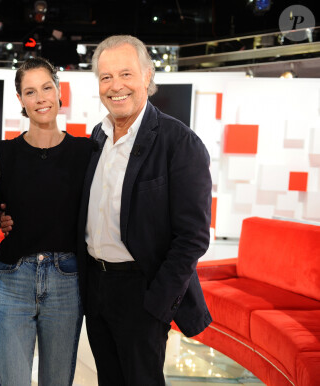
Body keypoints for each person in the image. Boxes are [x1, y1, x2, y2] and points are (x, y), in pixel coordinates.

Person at [77, 35, 213, 385]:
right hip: (97, 286)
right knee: (109, 379)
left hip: (142, 292)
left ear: (147, 76)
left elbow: (193, 237)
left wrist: (158, 306)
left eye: (125, 74)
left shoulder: (179, 142)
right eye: (106, 77)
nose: (115, 86)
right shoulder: (99, 136)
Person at [0, 57, 96, 386]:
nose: (40, 98)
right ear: (21, 100)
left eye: (47, 88)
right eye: (30, 92)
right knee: (12, 380)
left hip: (66, 279)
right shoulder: (3, 153)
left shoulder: (85, 152)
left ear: (59, 91)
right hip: (14, 278)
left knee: (57, 380)